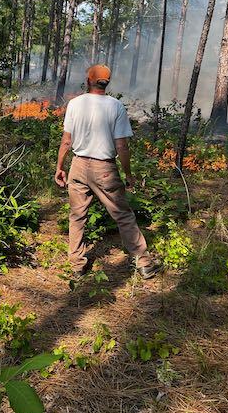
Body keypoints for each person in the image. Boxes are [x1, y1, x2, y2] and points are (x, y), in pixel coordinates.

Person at [54, 64, 162, 280]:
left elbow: (67, 141)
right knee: (122, 214)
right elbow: (121, 146)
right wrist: (128, 174)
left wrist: (59, 167)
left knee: (77, 216)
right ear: (107, 83)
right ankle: (143, 262)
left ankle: (76, 266)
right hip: (104, 169)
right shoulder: (116, 106)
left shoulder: (75, 104)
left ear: (88, 80)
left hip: (78, 165)